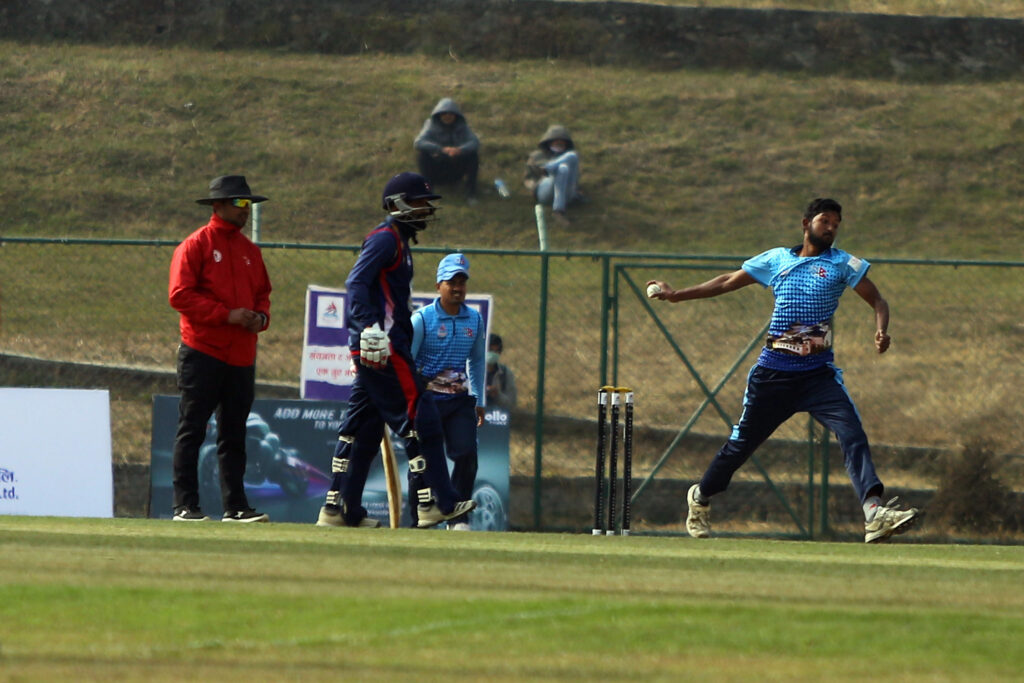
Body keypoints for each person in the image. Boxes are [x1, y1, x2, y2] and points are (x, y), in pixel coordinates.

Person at [647, 198, 919, 544]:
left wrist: (881, 329)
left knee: (852, 434)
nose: (831, 227)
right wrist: (676, 296)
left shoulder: (844, 263)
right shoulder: (777, 259)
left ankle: (874, 514)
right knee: (740, 447)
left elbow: (878, 300)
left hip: (818, 376)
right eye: (825, 221)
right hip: (773, 375)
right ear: (806, 224)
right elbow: (727, 281)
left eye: (836, 222)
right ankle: (700, 497)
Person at [316, 172, 476, 529]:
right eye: (419, 202)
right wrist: (369, 328)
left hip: (382, 344)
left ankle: (342, 512)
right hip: (383, 347)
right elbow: (356, 281)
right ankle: (440, 501)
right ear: (398, 204)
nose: (425, 209)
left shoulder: (401, 243)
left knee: (365, 429)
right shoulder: (385, 239)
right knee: (424, 410)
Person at [168, 175, 272, 523]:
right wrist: (226, 315)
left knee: (235, 434)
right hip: (203, 350)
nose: (246, 210)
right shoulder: (196, 244)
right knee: (193, 428)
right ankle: (185, 505)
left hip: (241, 355)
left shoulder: (250, 252)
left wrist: (261, 317)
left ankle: (236, 507)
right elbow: (180, 295)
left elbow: (263, 295)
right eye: (239, 203)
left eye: (248, 204)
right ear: (218, 206)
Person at [410, 253, 487, 530]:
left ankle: (458, 516)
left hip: (459, 399)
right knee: (422, 461)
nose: (457, 288)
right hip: (427, 398)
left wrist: (478, 398)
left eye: (462, 282)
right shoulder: (421, 319)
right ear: (438, 286)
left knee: (467, 454)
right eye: (451, 282)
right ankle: (420, 515)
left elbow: (477, 360)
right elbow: (408, 359)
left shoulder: (474, 320)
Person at [414, 98, 480, 203]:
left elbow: (475, 142)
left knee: (473, 155)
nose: (447, 116)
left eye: (451, 113)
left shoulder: (463, 126)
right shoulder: (430, 125)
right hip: (437, 170)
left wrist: (460, 150)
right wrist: (440, 149)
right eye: (444, 113)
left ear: (456, 115)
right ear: (438, 114)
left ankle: (471, 193)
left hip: (456, 169)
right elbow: (418, 142)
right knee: (422, 155)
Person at [524, 124, 581, 225]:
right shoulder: (538, 156)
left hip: (567, 194)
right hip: (545, 191)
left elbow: (575, 178)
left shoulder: (568, 157)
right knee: (562, 168)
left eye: (562, 141)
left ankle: (547, 169)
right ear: (549, 141)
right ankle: (558, 210)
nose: (559, 143)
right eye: (556, 141)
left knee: (567, 163)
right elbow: (531, 175)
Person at [485, 333, 517, 411]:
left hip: (495, 417)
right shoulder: (471, 371)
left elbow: (511, 403)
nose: (493, 354)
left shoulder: (505, 373)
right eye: (490, 350)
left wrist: (497, 395)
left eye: (497, 351)